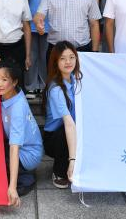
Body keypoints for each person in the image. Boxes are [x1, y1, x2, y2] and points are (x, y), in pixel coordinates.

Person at [0, 60, 42, 206]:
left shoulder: (17, 108)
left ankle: (24, 178)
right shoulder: (9, 94)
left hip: (28, 154)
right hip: (21, 146)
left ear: (14, 82)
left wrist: (12, 187)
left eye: (4, 79)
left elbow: (14, 147)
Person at [18, 0, 60, 98]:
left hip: (49, 24)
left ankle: (44, 86)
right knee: (30, 55)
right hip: (28, 24)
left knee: (45, 56)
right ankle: (30, 86)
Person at [42, 41, 80, 189]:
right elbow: (68, 124)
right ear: (55, 62)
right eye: (63, 58)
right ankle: (59, 171)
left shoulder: (77, 80)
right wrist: (73, 160)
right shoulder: (56, 89)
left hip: (74, 129)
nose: (68, 62)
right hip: (55, 138)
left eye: (71, 57)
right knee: (66, 130)